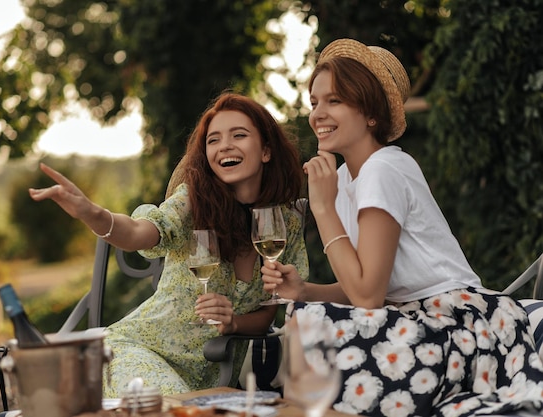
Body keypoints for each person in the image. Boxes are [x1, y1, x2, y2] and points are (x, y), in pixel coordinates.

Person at [261, 38, 543, 416]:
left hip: (461, 323)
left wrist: (323, 208)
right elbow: (366, 284)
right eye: (314, 102)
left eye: (334, 101)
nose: (317, 114)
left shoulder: (384, 167)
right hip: (413, 315)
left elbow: (367, 297)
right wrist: (305, 290)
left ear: (371, 114)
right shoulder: (345, 178)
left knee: (313, 322)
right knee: (305, 313)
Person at [28, 92, 308, 396]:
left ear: (266, 150)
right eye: (213, 140)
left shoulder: (285, 225)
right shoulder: (192, 202)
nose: (224, 145)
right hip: (133, 352)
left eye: (238, 135)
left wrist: (233, 323)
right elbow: (138, 233)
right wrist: (92, 213)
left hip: (205, 379)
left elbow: (267, 315)